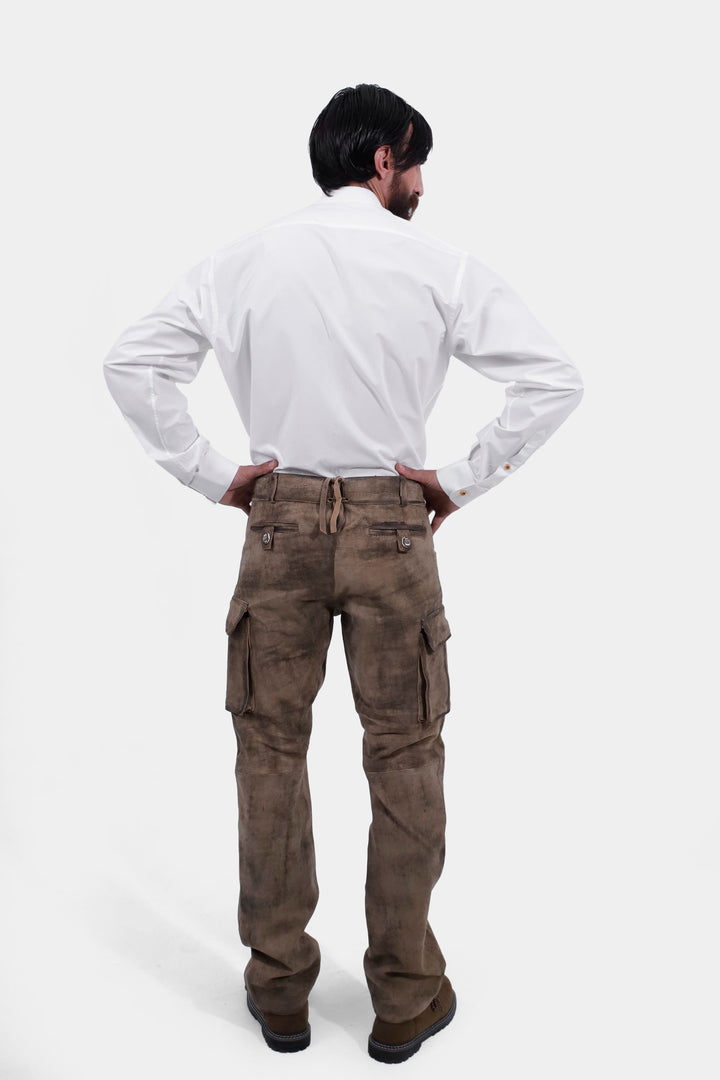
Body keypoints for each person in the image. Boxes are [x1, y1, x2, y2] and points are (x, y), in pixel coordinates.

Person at [103, 82, 584, 1064]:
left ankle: (278, 990)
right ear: (381, 159)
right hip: (391, 530)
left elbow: (133, 363)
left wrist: (213, 474)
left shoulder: (242, 260)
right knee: (406, 756)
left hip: (276, 524)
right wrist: (454, 481)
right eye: (414, 161)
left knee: (267, 756)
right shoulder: (434, 264)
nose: (420, 182)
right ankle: (405, 996)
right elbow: (554, 377)